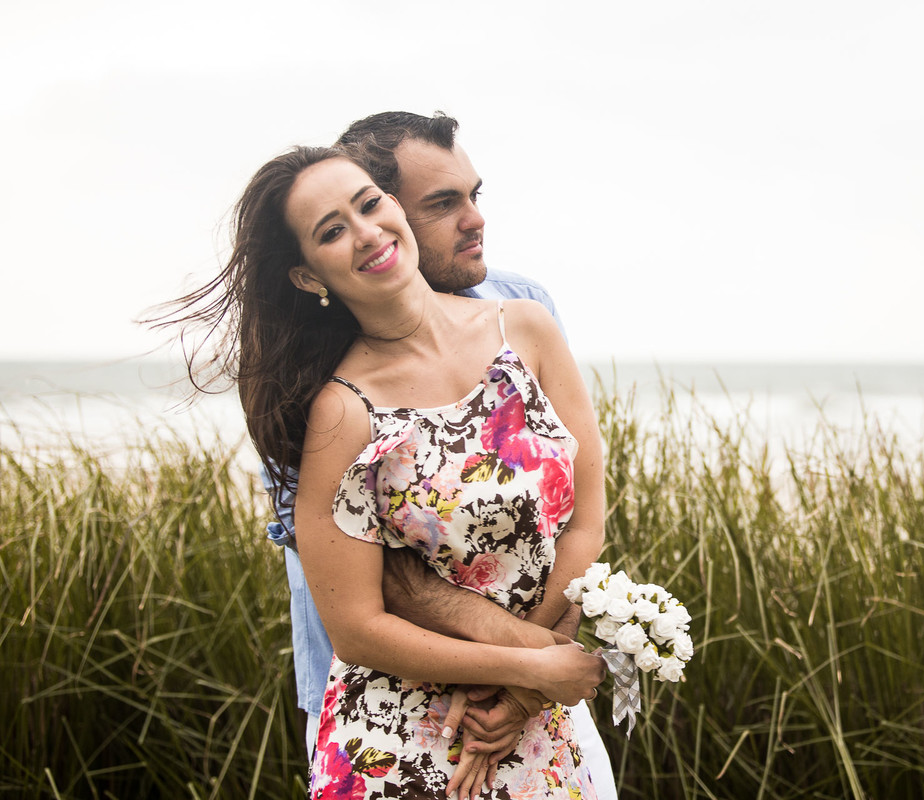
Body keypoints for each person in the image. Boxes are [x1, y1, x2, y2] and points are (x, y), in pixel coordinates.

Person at [171, 144, 609, 798]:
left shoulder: (527, 329)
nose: (367, 232)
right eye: (332, 231)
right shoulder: (341, 412)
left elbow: (586, 518)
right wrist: (532, 667)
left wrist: (523, 693)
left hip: (532, 721)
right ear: (307, 277)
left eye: (369, 204)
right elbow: (358, 627)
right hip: (403, 743)